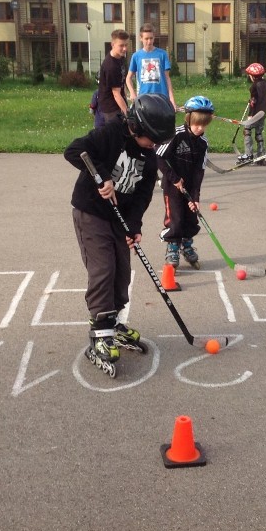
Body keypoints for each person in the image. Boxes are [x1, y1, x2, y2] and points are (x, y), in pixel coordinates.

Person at [64, 94, 176, 377]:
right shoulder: (110, 134)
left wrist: (134, 226)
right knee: (103, 268)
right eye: (151, 138)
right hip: (91, 213)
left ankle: (112, 324)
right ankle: (99, 334)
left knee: (122, 273)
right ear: (136, 126)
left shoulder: (149, 158)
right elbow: (75, 149)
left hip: (119, 218)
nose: (154, 145)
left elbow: (142, 195)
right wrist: (102, 176)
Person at [155, 96, 214, 270]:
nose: (200, 128)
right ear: (188, 119)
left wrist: (195, 197)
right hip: (172, 187)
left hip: (189, 186)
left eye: (204, 125)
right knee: (176, 218)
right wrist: (174, 179)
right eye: (197, 124)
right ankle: (172, 247)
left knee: (190, 218)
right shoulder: (176, 135)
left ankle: (187, 245)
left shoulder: (203, 143)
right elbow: (159, 156)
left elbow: (199, 172)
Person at [126, 23, 177, 111]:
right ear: (141, 38)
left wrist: (172, 99)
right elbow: (128, 78)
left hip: (162, 98)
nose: (149, 41)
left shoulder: (162, 54)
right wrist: (132, 93)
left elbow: (167, 78)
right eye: (146, 39)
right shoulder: (136, 56)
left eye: (151, 38)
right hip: (144, 99)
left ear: (154, 38)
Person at [236, 62, 266, 166]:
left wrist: (250, 116)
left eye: (249, 75)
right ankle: (261, 156)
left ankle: (249, 155)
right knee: (258, 133)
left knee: (247, 130)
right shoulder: (264, 83)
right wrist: (264, 79)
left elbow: (253, 102)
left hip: (256, 114)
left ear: (252, 76)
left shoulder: (253, 87)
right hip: (263, 113)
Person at [97, 29, 130, 126]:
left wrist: (126, 98)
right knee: (114, 137)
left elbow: (122, 83)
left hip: (118, 103)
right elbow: (116, 93)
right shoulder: (111, 66)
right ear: (113, 45)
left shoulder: (121, 58)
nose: (124, 49)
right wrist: (128, 114)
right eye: (121, 45)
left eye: (126, 45)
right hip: (110, 108)